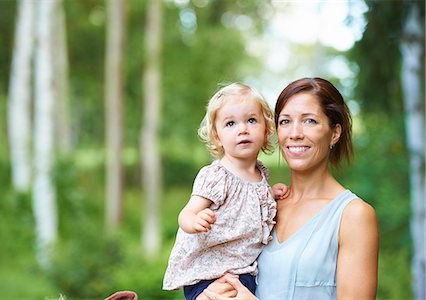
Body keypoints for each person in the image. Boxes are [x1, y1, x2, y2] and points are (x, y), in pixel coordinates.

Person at [200, 77, 379, 300]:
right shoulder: (263, 205)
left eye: (310, 121)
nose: (295, 133)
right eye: (285, 121)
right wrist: (212, 291)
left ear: (335, 133)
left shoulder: (353, 216)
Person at [162, 83, 289, 300]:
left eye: (251, 120)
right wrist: (194, 221)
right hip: (207, 273)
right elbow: (186, 213)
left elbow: (253, 202)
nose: (243, 129)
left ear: (266, 129)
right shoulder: (217, 176)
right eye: (230, 123)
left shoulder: (260, 175)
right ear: (217, 136)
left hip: (242, 272)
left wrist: (272, 194)